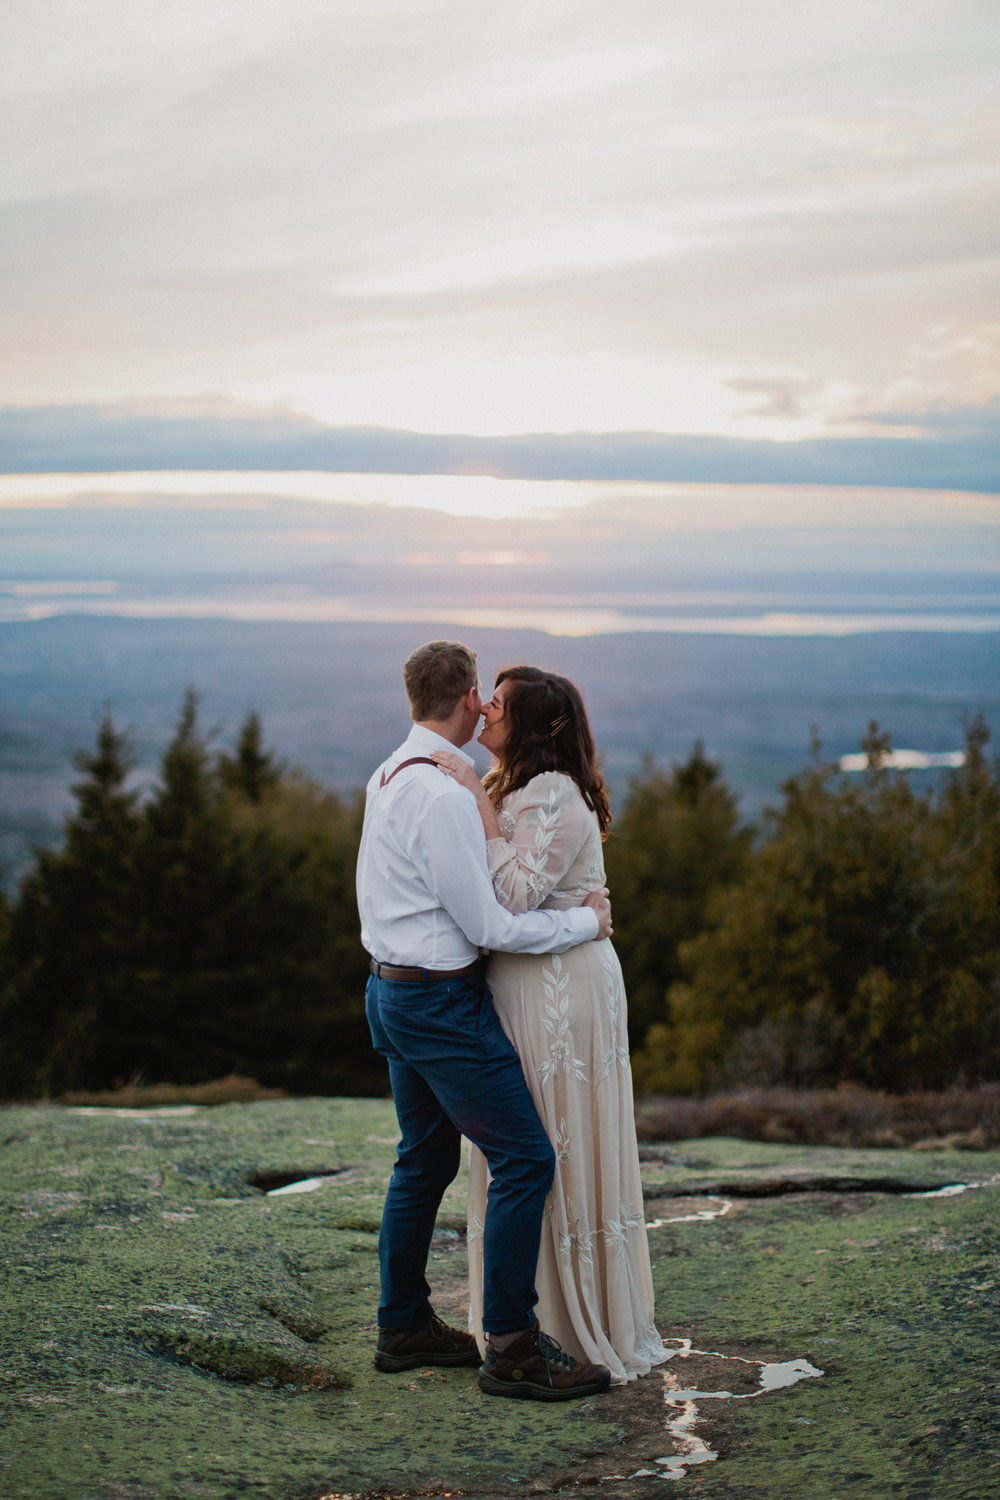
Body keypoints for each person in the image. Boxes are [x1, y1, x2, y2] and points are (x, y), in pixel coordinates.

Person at [357, 640, 614, 1401]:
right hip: (438, 1002)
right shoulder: (440, 795)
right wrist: (584, 927)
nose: (490, 707)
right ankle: (510, 1346)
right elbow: (495, 924)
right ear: (468, 697)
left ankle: (403, 1326)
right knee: (527, 1159)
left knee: (423, 1162)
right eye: (486, 696)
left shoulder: (388, 772)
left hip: (392, 990)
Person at [432, 665, 667, 1386]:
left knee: (551, 1137)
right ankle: (515, 1319)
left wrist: (473, 794)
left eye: (497, 703)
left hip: (561, 992)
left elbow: (512, 894)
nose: (484, 711)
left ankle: (564, 1322)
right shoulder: (516, 789)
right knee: (524, 1140)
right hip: (525, 982)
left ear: (531, 722)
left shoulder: (553, 793)